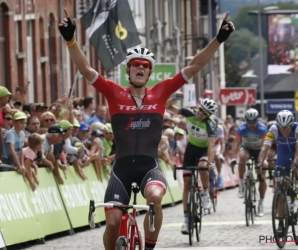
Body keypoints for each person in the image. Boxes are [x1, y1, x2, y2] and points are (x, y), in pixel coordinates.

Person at [58, 8, 234, 250]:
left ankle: (149, 247)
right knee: (111, 222)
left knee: (154, 197)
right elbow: (86, 70)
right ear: (128, 70)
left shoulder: (160, 93)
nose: (140, 68)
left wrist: (218, 40)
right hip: (121, 168)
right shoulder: (114, 92)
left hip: (149, 166)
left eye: (144, 65)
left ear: (150, 72)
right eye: (135, 65)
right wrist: (70, 40)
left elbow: (193, 66)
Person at [166, 97, 217, 234]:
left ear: (209, 115)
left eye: (205, 113)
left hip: (204, 150)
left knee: (202, 166)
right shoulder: (190, 113)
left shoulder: (210, 125)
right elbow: (168, 107)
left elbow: (211, 146)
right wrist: (176, 96)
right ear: (198, 108)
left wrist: (210, 163)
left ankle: (205, 192)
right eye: (201, 110)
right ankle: (186, 219)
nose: (201, 114)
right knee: (187, 183)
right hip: (191, 150)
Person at [258, 110, 298, 232]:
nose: (285, 131)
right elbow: (264, 149)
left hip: (295, 154)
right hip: (283, 157)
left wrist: (295, 162)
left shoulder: (296, 129)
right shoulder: (274, 129)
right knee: (280, 190)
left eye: (287, 128)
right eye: (282, 128)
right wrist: (261, 162)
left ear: (292, 125)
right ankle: (281, 223)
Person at [232, 108, 267, 215]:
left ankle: (261, 203)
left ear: (257, 120)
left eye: (253, 123)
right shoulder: (242, 128)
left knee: (262, 173)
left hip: (259, 150)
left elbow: (266, 146)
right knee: (242, 157)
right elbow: (236, 143)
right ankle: (242, 183)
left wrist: (261, 161)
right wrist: (234, 157)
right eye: (249, 123)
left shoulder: (262, 128)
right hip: (246, 148)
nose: (251, 125)